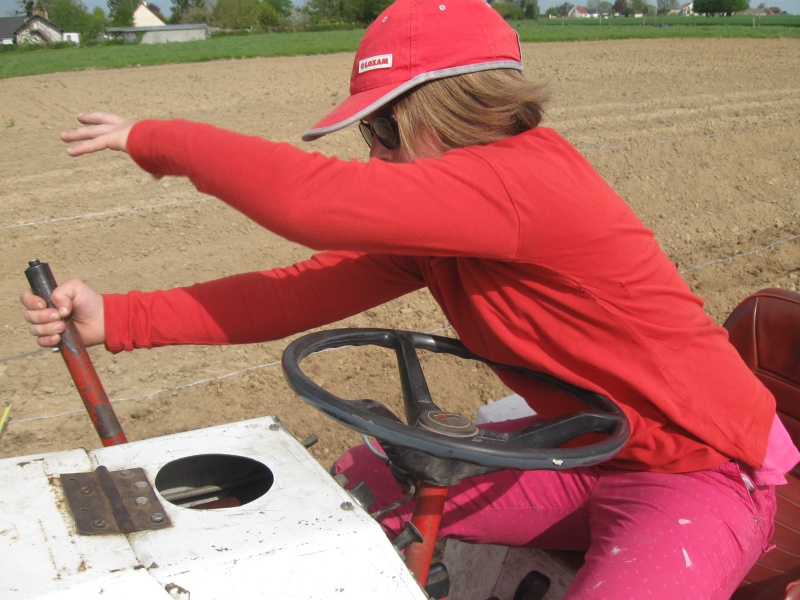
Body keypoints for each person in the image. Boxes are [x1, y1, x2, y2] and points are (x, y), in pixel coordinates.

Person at [20, 0, 799, 597]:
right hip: (582, 450)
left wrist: (158, 139)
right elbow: (303, 289)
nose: (376, 154)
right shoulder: (452, 223)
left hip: (695, 474)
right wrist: (117, 318)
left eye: (385, 131)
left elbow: (312, 205)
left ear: (448, 107)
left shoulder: (522, 184)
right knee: (360, 482)